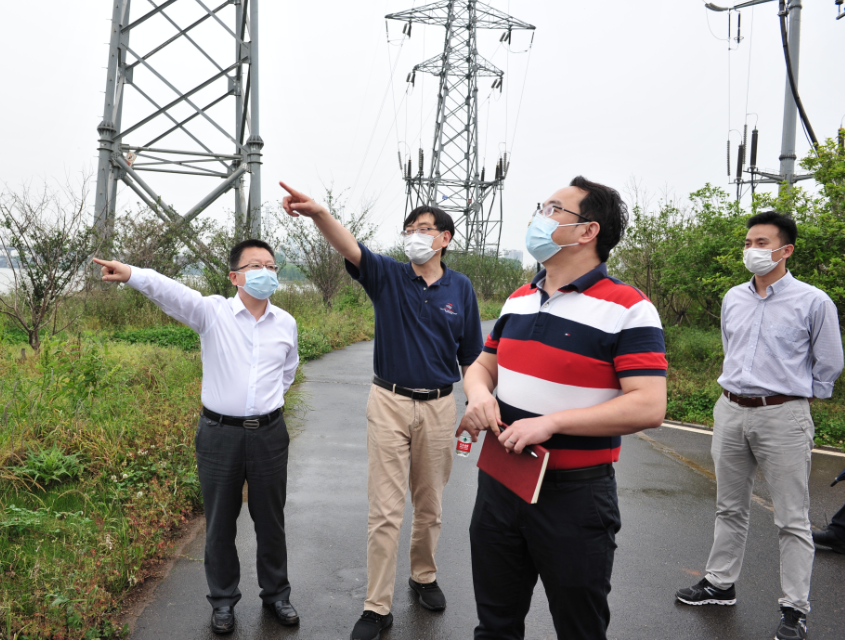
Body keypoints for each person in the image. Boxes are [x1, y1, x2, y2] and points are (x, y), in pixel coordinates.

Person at [458, 176, 668, 640]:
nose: (539, 217)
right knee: (494, 624)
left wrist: (550, 423)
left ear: (587, 231)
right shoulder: (519, 298)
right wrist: (478, 393)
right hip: (499, 482)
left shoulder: (627, 307)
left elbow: (649, 405)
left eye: (554, 208)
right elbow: (482, 366)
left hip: (574, 496)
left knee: (579, 626)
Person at [278, 180, 483, 640]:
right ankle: (377, 606)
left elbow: (470, 354)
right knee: (386, 510)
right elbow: (349, 245)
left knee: (429, 505)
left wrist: (477, 398)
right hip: (388, 402)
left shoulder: (461, 289)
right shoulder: (388, 275)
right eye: (409, 227)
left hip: (439, 406)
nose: (415, 234)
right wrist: (318, 213)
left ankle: (423, 576)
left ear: (444, 239)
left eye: (425, 228)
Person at [93, 239, 300, 635]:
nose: (266, 273)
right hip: (219, 435)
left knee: (271, 520)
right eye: (256, 265)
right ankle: (223, 601)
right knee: (220, 521)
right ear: (234, 276)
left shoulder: (286, 323)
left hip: (270, 436)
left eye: (272, 267)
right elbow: (171, 291)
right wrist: (133, 274)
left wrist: (265, 405)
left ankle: (277, 595)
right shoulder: (212, 313)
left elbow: (286, 373)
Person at [675, 211, 844, 640]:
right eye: (749, 242)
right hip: (730, 409)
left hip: (783, 414)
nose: (753, 250)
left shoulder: (813, 301)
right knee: (729, 507)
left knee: (792, 518)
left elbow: (829, 362)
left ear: (785, 250)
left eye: (762, 243)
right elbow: (731, 349)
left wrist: (798, 398)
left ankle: (795, 609)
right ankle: (720, 582)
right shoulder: (734, 296)